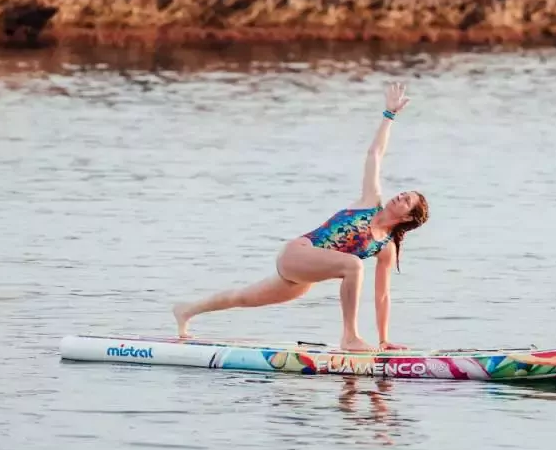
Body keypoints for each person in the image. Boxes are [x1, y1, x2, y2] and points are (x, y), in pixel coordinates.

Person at [171, 81, 430, 352]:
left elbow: (383, 296)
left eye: (406, 200)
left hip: (303, 278)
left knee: (243, 297)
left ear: (407, 218)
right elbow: (375, 154)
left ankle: (186, 311)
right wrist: (389, 116)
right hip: (297, 253)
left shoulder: (385, 247)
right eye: (402, 193)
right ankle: (350, 337)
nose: (399, 196)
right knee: (354, 265)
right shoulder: (369, 201)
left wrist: (384, 340)